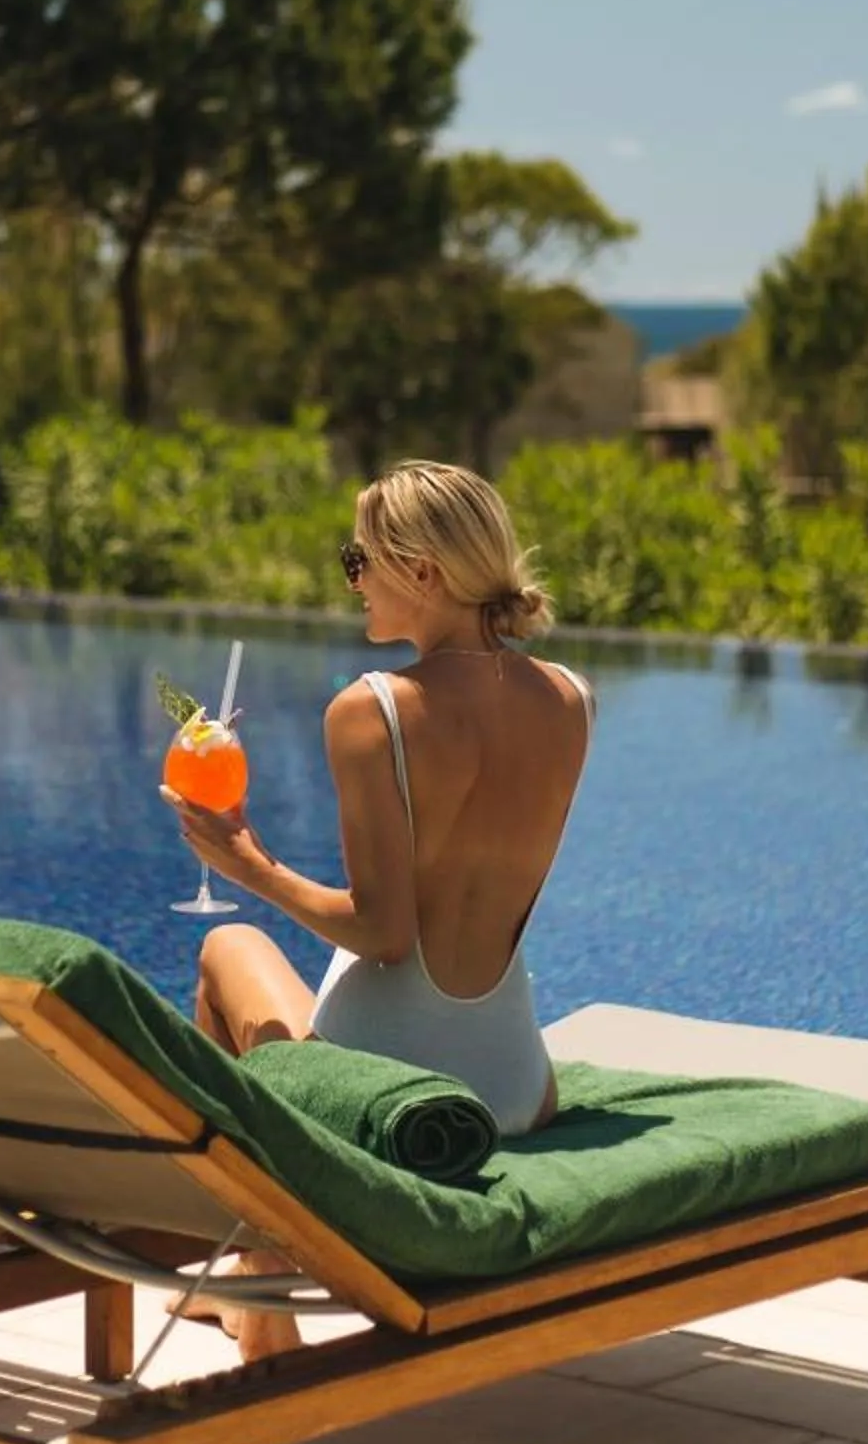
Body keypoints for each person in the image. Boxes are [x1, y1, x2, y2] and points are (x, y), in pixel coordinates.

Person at [168, 461, 595, 1356]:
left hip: (393, 1093)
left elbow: (383, 934)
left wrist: (252, 865)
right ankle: (239, 1287)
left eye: (358, 561)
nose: (352, 582)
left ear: (423, 573)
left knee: (229, 949)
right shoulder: (569, 699)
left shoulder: (374, 712)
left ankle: (256, 1297)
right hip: (517, 1085)